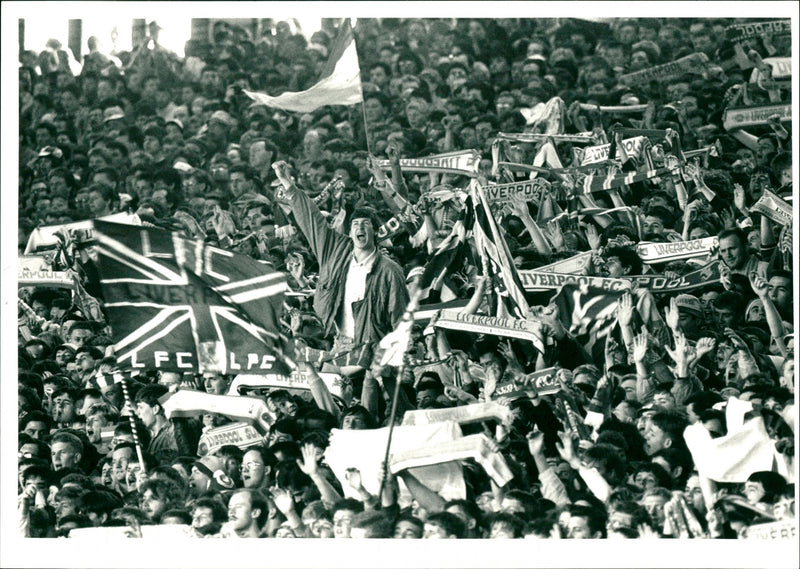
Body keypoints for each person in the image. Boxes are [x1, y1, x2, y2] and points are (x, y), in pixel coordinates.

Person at [273, 160, 408, 372]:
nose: (360, 228)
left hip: (373, 348)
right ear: (350, 231)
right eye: (356, 224)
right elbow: (311, 219)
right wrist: (286, 182)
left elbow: (400, 317)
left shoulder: (389, 270)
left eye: (366, 225)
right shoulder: (334, 250)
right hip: (340, 345)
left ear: (376, 232)